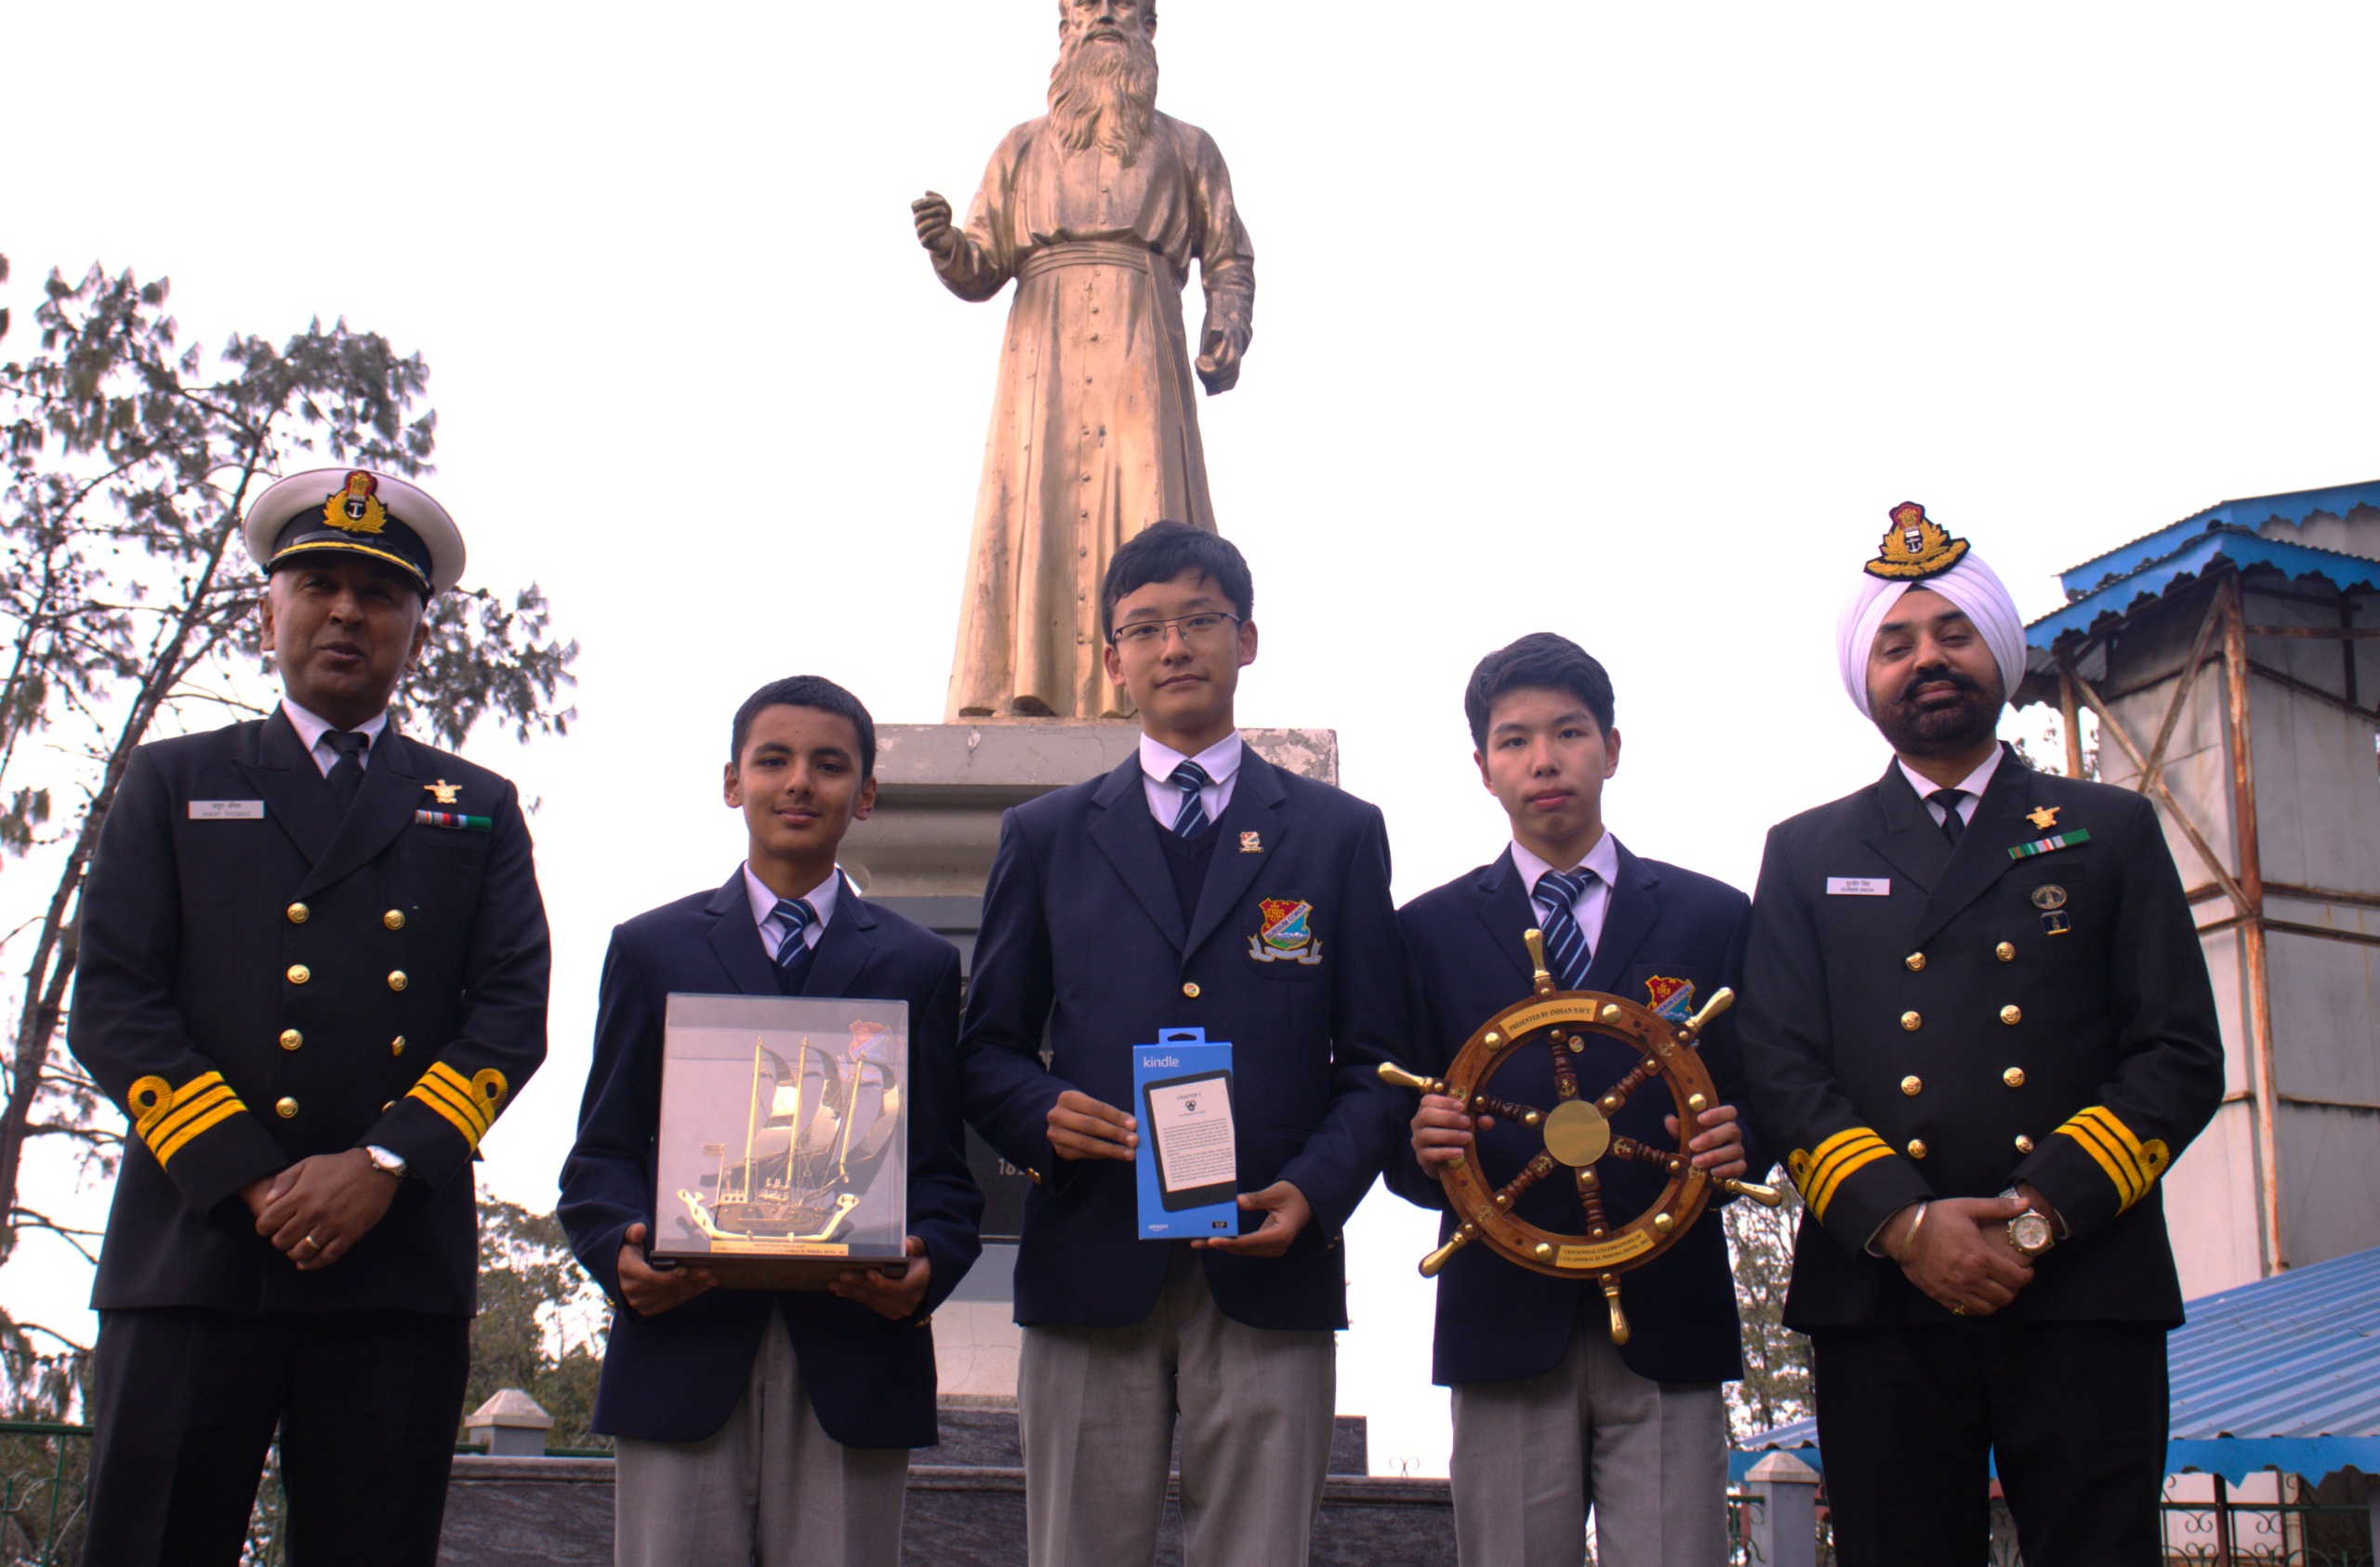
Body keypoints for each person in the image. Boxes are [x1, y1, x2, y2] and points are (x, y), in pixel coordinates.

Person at [67, 467, 550, 1567]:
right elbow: (116, 1004)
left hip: (392, 1264)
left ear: (419, 632)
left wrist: (380, 1164)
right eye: (318, 586)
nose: (346, 613)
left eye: (378, 595)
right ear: (266, 613)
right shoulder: (171, 781)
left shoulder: (475, 806)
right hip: (196, 1251)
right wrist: (256, 1178)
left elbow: (510, 1014)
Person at [1736, 503, 2225, 1567]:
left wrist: (2037, 1213)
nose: (1927, 659)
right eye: (1896, 644)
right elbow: (1778, 1068)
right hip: (1882, 1295)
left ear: (1999, 652)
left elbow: (2179, 1054)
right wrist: (1908, 1225)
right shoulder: (1805, 852)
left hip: (2081, 1282)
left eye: (1953, 633)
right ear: (1865, 678)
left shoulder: (2109, 829)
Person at [959, 521, 1408, 1567]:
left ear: (1246, 640)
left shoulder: (1339, 834)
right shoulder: (1045, 835)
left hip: (1269, 1261)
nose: (1175, 647)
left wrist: (1314, 1191)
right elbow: (984, 1052)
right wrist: (1041, 1113)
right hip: (1089, 1256)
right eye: (1145, 628)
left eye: (1200, 620)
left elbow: (1380, 1062)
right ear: (1112, 658)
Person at [558, 676, 982, 1567]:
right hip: (684, 1341)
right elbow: (601, 1154)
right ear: (732, 781)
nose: (799, 783)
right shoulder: (651, 949)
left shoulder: (918, 966)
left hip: (854, 1351)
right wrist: (618, 1252)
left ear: (865, 794)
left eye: (829, 765)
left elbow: (942, 1171)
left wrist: (929, 1261)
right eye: (774, 761)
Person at [1387, 632, 1767, 1567]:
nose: (1544, 761)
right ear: (1483, 769)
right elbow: (1392, 1126)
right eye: (1514, 741)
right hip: (1501, 1319)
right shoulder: (1425, 933)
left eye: (1568, 732)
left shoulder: (1714, 916)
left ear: (1612, 747)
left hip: (1670, 1314)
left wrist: (1744, 1139)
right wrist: (1417, 1144)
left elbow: (1764, 1091)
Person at [912, 0, 1256, 719]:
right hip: (1043, 361)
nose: (1104, 15)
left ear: (1149, 23)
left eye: (1120, 2)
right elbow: (981, 265)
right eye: (1089, 2)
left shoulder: (1188, 147)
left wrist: (1227, 324)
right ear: (1065, 25)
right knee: (1032, 508)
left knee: (1151, 512)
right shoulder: (1021, 146)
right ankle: (1021, 688)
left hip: (1144, 344)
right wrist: (946, 247)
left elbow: (1229, 254)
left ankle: (1150, 696)